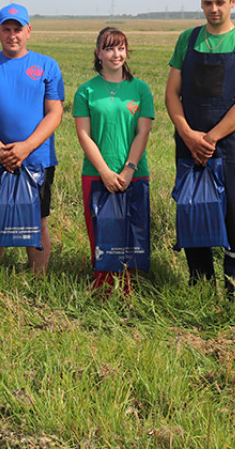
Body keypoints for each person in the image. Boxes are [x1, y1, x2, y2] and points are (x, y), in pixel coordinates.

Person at [164, 0, 235, 300]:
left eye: (220, 2)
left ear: (233, 2)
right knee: (195, 217)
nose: (213, 9)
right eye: (207, 2)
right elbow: (171, 95)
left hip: (233, 150)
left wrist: (209, 138)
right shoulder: (188, 40)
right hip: (190, 149)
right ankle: (201, 293)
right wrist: (188, 134)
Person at [0, 3, 64, 274]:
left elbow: (54, 112)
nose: (12, 35)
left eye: (18, 29)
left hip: (36, 160)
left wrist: (26, 148)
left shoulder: (47, 66)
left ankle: (38, 281)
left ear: (28, 31)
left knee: (38, 221)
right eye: (6, 29)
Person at [74, 27, 154, 292]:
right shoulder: (86, 91)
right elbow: (84, 135)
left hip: (135, 173)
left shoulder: (140, 89)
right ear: (98, 53)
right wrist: (105, 172)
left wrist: (129, 169)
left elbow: (143, 131)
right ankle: (104, 291)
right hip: (96, 174)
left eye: (120, 48)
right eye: (108, 48)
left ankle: (129, 290)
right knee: (100, 234)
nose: (115, 54)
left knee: (131, 234)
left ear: (127, 51)